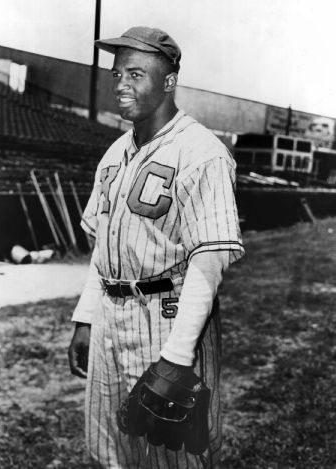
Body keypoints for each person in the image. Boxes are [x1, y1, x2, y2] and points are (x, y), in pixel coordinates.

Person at [68, 26, 244, 469]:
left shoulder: (203, 152)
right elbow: (103, 250)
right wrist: (86, 318)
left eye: (135, 74)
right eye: (116, 75)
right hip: (111, 315)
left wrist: (177, 358)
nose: (121, 85)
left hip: (166, 319)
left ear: (168, 82)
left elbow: (208, 264)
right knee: (111, 451)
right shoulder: (114, 154)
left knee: (172, 458)